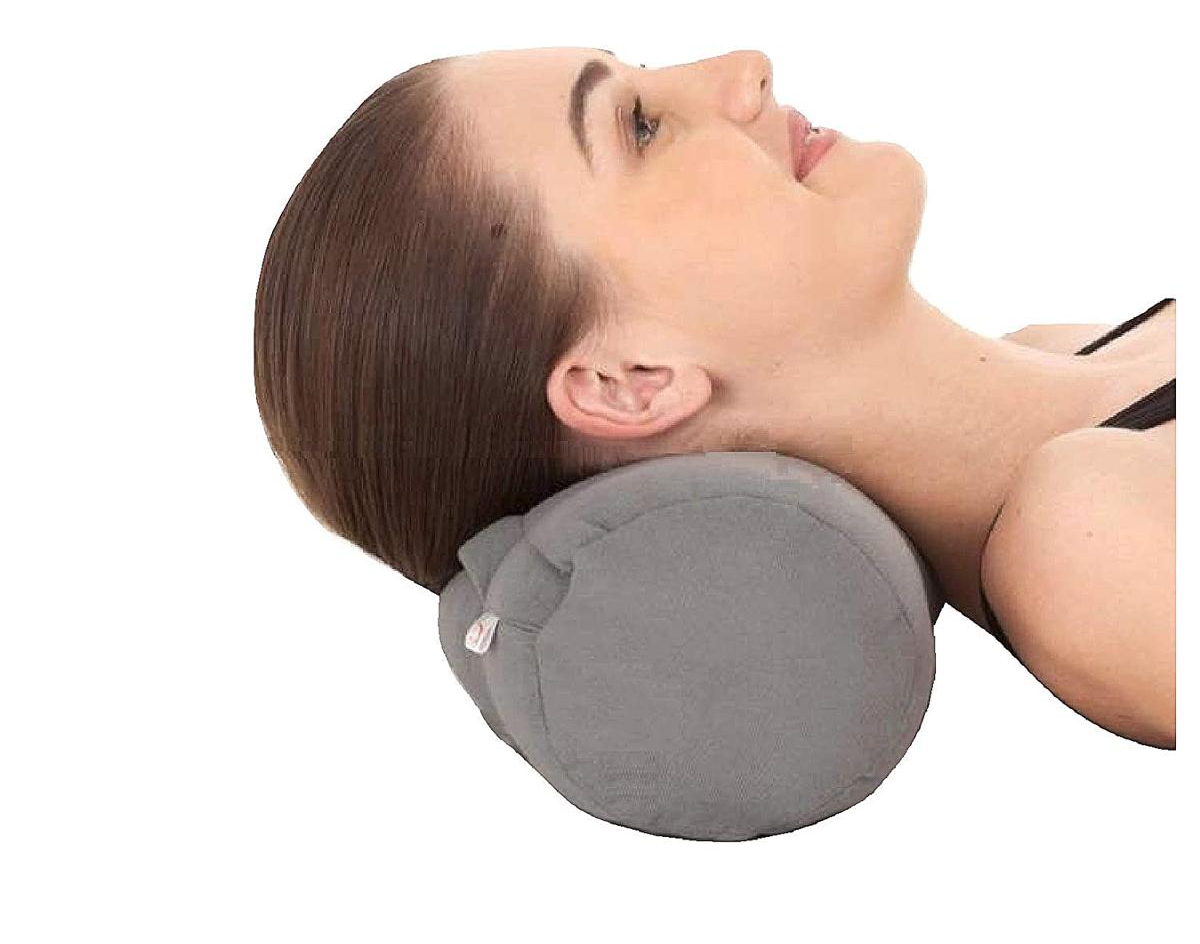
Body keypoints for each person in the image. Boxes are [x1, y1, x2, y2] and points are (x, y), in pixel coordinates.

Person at [253, 46, 1175, 749]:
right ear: (629, 382)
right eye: (641, 127)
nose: (745, 71)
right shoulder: (1094, 547)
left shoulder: (1078, 352)